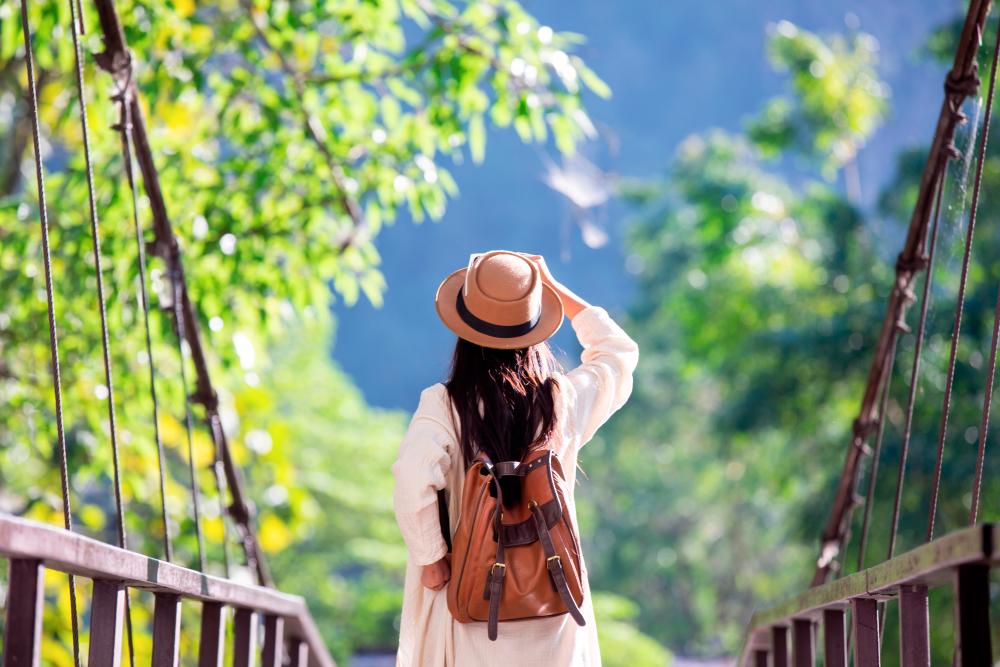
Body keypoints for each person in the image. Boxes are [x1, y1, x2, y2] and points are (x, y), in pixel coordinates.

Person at [392, 250, 640, 666]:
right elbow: (617, 353)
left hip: (471, 606)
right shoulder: (560, 402)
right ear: (535, 326)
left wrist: (432, 559)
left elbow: (412, 477)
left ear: (464, 330)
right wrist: (551, 286)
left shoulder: (444, 406)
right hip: (554, 603)